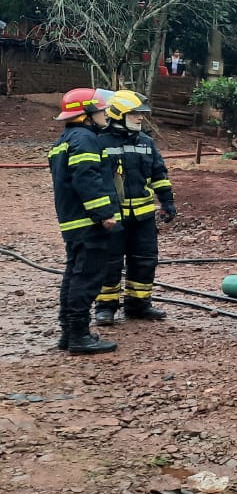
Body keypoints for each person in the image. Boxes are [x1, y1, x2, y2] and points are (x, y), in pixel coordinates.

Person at [93, 91, 176, 326]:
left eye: (141, 114)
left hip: (143, 217)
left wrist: (167, 201)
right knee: (110, 261)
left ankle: (139, 305)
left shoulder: (146, 142)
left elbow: (159, 174)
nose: (140, 118)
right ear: (118, 114)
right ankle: (105, 307)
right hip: (112, 217)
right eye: (135, 114)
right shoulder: (100, 142)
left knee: (145, 260)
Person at [48, 88, 119, 355]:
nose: (104, 114)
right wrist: (103, 214)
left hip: (72, 221)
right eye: (101, 110)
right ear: (87, 113)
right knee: (87, 277)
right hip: (87, 222)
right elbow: (86, 179)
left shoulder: (64, 139)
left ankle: (69, 332)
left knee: (74, 275)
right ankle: (79, 335)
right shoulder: (86, 140)